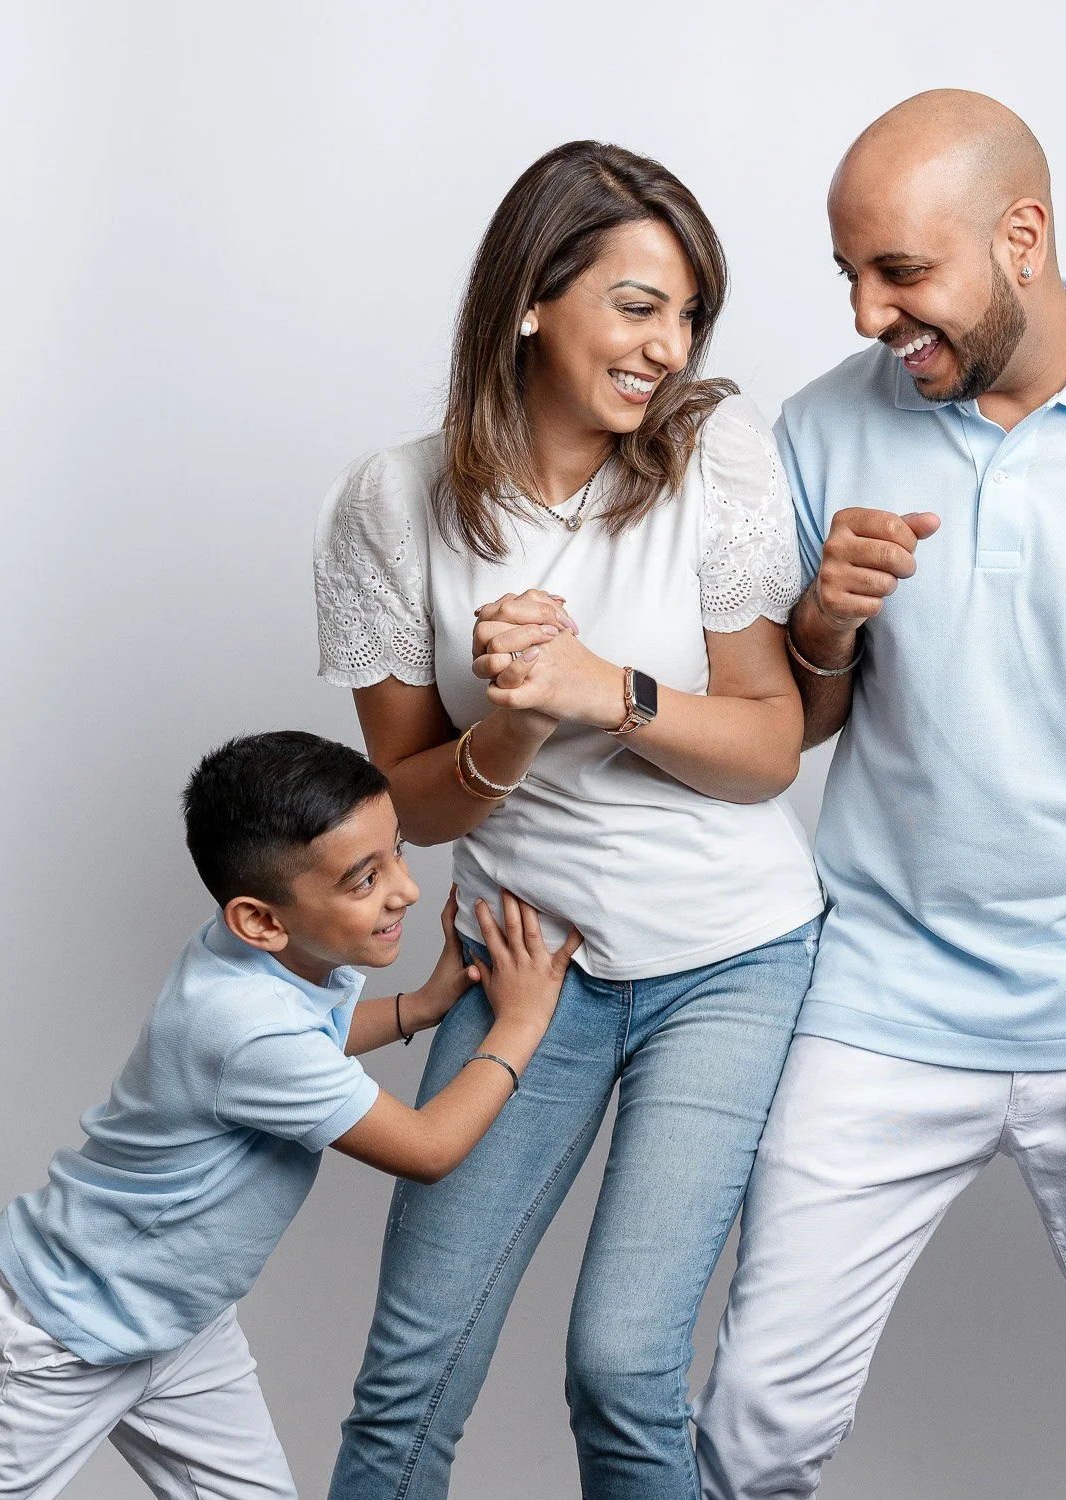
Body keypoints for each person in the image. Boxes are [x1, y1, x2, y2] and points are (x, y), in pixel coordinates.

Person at [693, 91, 1066, 1500]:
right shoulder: (822, 429)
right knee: (751, 1432)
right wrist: (825, 623)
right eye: (846, 274)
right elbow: (804, 719)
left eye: (899, 271)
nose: (864, 313)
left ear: (1023, 238)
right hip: (881, 1002)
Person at [312, 140, 822, 1500]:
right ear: (534, 298)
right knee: (411, 1372)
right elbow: (406, 806)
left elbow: (769, 743)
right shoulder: (391, 501)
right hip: (524, 957)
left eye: (691, 314)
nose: (671, 346)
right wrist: (512, 730)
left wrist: (604, 689)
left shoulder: (712, 456)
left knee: (622, 1365)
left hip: (727, 955)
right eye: (639, 304)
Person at [0, 730, 574, 1500]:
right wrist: (520, 1023)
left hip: (180, 1324)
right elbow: (427, 1146)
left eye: (397, 854)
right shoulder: (243, 1022)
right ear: (260, 919)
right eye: (364, 880)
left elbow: (307, 1048)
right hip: (60, 1325)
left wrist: (418, 1007)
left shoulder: (251, 963)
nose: (405, 892)